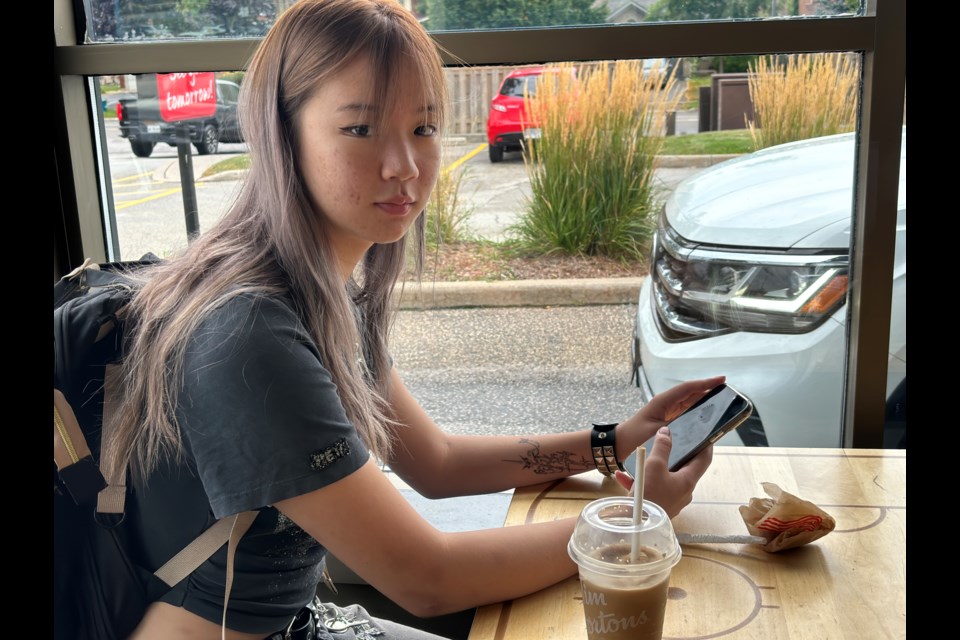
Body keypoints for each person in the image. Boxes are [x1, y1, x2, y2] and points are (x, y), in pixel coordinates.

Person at [109, 1, 720, 638]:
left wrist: (612, 440)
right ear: (280, 135)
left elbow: (437, 462)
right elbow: (426, 580)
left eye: (424, 128)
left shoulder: (324, 296)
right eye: (360, 129)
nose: (404, 165)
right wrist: (636, 521)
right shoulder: (248, 334)